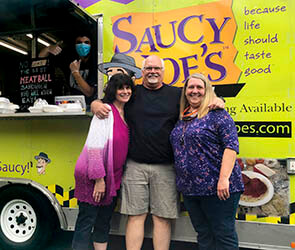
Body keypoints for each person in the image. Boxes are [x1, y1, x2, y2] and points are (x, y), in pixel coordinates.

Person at [91, 55, 225, 250]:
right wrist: (95, 105)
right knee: (135, 216)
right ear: (142, 72)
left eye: (157, 68)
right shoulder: (131, 93)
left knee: (162, 218)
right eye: (148, 68)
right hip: (135, 166)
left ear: (163, 71)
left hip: (167, 168)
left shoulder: (176, 94)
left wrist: (219, 100)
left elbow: (201, 98)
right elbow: (105, 102)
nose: (153, 71)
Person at [170, 73, 244, 250]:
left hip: (218, 188)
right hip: (190, 189)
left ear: (207, 91)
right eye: (190, 87)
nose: (194, 91)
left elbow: (231, 146)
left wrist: (223, 179)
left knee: (223, 235)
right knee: (203, 234)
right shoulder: (183, 118)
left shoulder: (218, 114)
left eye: (199, 87)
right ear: (185, 92)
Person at [72, 73, 135, 250]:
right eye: (120, 88)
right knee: (87, 221)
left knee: (103, 221)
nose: (125, 91)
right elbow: (94, 147)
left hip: (112, 178)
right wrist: (99, 180)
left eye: (128, 87)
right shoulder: (105, 111)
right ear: (113, 91)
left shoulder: (126, 112)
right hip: (94, 176)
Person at [39, 33, 97, 109]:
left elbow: (89, 92)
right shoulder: (68, 60)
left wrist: (75, 73)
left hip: (91, 107)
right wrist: (48, 49)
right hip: (71, 105)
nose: (83, 45)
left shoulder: (95, 62)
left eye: (86, 42)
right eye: (79, 42)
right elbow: (39, 62)